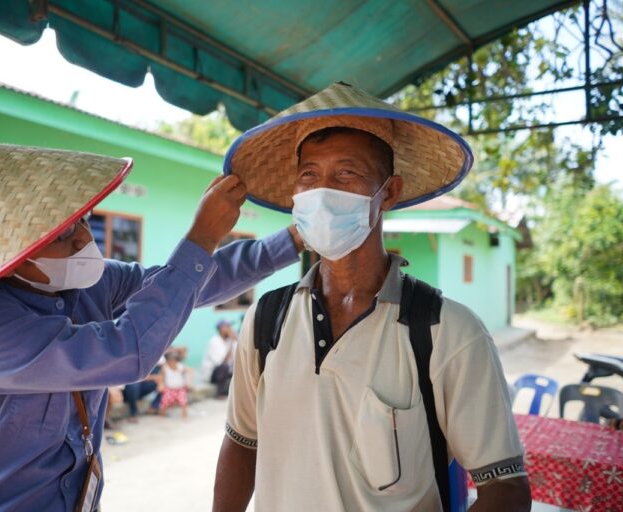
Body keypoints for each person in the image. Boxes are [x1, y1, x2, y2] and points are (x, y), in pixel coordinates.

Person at [0, 140, 302, 511]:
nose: (85, 238)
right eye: (64, 232)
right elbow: (127, 350)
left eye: (82, 219)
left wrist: (295, 238)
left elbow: (188, 281)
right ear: (7, 249)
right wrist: (201, 237)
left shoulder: (80, 286)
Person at [213, 82, 531, 511]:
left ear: (390, 193)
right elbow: (242, 444)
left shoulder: (447, 331)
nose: (322, 192)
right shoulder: (267, 318)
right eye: (309, 175)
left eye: (347, 174)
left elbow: (505, 489)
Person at [201, 320, 238, 397]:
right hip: (213, 374)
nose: (230, 329)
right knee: (223, 367)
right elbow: (222, 362)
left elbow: (238, 357)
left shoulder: (230, 341)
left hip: (226, 371)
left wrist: (236, 340)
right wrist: (231, 341)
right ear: (221, 329)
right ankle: (219, 393)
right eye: (227, 327)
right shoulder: (214, 341)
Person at [159, 351, 192, 418]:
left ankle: (184, 416)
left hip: (180, 389)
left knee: (184, 402)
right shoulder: (165, 368)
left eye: (174, 360)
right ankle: (161, 416)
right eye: (170, 360)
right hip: (169, 389)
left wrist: (188, 382)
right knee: (164, 403)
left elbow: (190, 371)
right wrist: (161, 385)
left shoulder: (180, 366)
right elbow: (161, 378)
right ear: (167, 361)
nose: (172, 362)